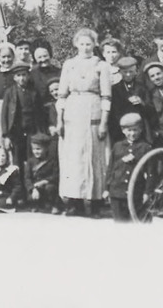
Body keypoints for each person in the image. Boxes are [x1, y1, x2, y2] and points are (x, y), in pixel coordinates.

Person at [56, 28, 112, 217]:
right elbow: (62, 95)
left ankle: (94, 203)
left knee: (94, 158)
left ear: (95, 45)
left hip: (93, 111)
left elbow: (106, 96)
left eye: (89, 44)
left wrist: (104, 122)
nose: (85, 47)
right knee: (73, 159)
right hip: (72, 113)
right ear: (76, 44)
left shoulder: (102, 66)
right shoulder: (69, 65)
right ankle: (74, 203)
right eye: (82, 44)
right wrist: (59, 120)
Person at [105, 112, 151, 222]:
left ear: (140, 130)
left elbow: (151, 173)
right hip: (117, 192)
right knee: (119, 222)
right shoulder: (117, 146)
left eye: (135, 130)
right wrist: (106, 189)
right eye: (129, 130)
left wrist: (147, 192)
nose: (132, 133)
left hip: (136, 193)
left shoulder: (145, 147)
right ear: (123, 131)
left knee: (136, 221)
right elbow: (110, 169)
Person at [1, 64, 45, 168]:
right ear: (14, 78)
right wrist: (6, 135)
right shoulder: (10, 92)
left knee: (31, 156)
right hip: (16, 131)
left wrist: (41, 130)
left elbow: (40, 113)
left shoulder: (33, 92)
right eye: (19, 75)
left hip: (31, 130)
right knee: (17, 158)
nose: (22, 78)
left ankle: (30, 177)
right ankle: (18, 178)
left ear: (28, 76)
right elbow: (4, 114)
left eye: (24, 75)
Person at [108, 56, 150, 144]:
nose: (128, 75)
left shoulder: (142, 88)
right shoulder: (115, 89)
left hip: (139, 128)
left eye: (131, 71)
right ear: (120, 72)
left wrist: (142, 103)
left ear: (136, 71)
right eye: (125, 72)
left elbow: (150, 109)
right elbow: (113, 112)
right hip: (120, 130)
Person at [23, 133, 60, 213]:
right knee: (31, 196)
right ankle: (37, 204)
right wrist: (32, 189)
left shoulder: (52, 161)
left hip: (47, 186)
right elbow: (27, 178)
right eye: (34, 149)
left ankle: (53, 205)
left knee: (50, 188)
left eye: (38, 149)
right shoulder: (30, 162)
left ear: (46, 148)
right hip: (35, 187)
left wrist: (44, 181)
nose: (36, 151)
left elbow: (55, 175)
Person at [29, 39, 62, 104]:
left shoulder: (59, 72)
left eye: (45, 56)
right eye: (39, 57)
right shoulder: (32, 76)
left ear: (50, 55)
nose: (43, 59)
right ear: (35, 59)